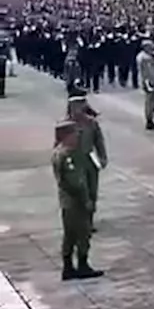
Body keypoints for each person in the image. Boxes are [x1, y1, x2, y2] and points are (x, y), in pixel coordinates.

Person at [53, 120, 104, 281]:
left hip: (68, 202)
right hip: (75, 202)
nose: (77, 136)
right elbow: (75, 183)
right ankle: (81, 265)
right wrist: (86, 199)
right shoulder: (67, 155)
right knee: (82, 233)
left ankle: (69, 267)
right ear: (66, 136)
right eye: (74, 133)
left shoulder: (62, 152)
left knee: (70, 235)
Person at [67, 89, 107, 234]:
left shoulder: (91, 123)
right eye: (77, 104)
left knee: (92, 191)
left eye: (82, 103)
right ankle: (77, 221)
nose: (79, 108)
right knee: (77, 194)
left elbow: (99, 141)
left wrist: (102, 158)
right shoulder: (65, 125)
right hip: (73, 162)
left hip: (90, 160)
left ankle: (88, 221)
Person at [137, 39, 154, 130]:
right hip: (149, 81)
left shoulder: (144, 56)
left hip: (148, 80)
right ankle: (149, 120)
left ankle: (150, 119)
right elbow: (150, 72)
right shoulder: (145, 58)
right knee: (151, 101)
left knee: (152, 100)